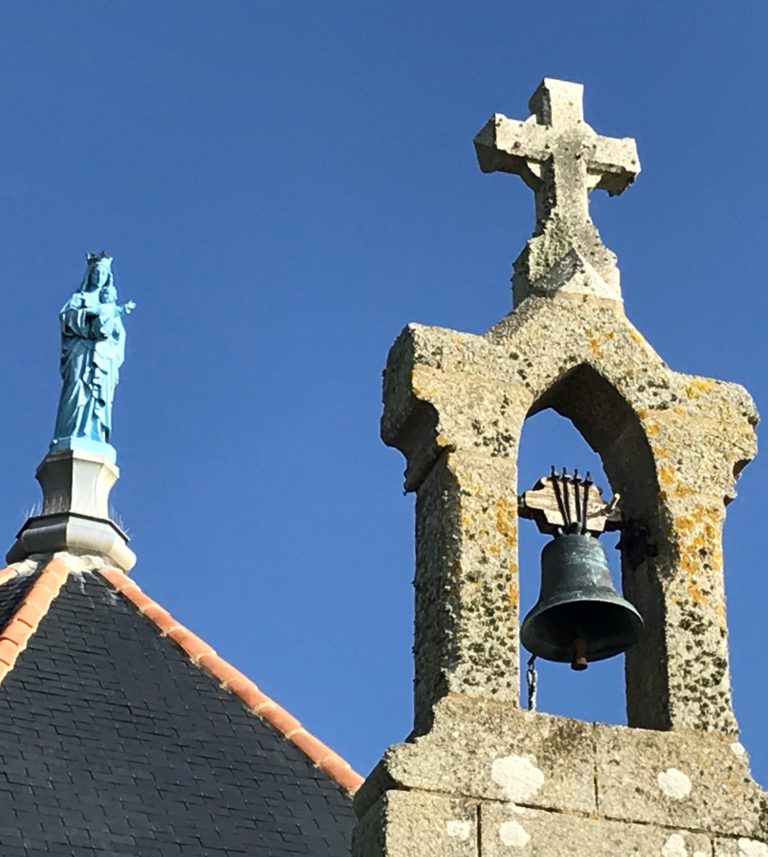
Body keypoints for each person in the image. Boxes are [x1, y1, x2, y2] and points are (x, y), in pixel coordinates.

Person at [51, 253, 135, 451]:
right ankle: (70, 433)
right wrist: (89, 316)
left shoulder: (111, 305)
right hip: (80, 353)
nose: (99, 277)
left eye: (103, 274)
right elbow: (66, 318)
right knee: (77, 387)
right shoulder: (79, 298)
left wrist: (110, 330)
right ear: (89, 275)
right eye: (96, 273)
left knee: (97, 395)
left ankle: (94, 433)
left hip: (103, 357)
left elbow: (119, 335)